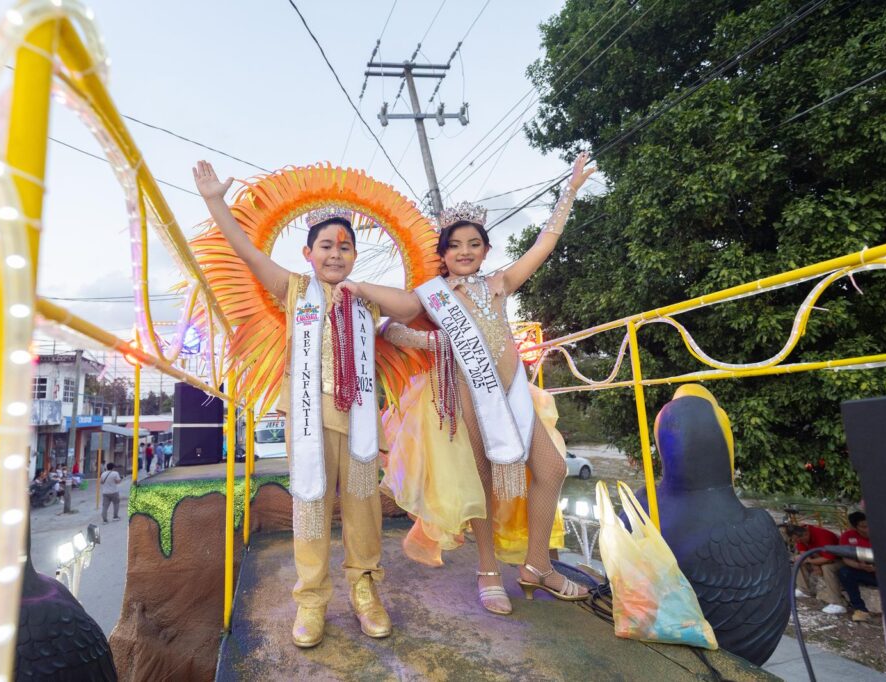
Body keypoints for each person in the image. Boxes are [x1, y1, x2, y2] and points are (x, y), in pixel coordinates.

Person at [335, 152, 596, 613]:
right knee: (483, 484)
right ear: (443, 254)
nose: (465, 251)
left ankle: (537, 565)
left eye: (473, 244)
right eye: (455, 245)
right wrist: (361, 288)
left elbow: (543, 247)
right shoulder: (433, 296)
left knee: (552, 468)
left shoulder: (498, 283)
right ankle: (488, 570)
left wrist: (568, 193)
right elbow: (393, 318)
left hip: (513, 394)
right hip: (466, 398)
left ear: (485, 250)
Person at [194, 159, 397, 648]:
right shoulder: (294, 290)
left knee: (364, 508)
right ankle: (311, 598)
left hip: (361, 420)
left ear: (353, 255)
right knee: (310, 506)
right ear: (308, 253)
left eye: (345, 246)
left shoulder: (366, 298)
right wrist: (215, 202)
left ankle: (364, 588)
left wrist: (362, 289)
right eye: (326, 245)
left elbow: (411, 306)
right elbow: (245, 251)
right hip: (309, 417)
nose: (335, 253)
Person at [786, 524, 845, 609]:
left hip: (839, 559)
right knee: (798, 560)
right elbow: (803, 552)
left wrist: (811, 561)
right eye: (795, 540)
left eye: (799, 540)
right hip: (819, 557)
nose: (798, 542)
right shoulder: (800, 535)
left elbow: (829, 558)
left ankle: (837, 603)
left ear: (806, 534)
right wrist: (814, 564)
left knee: (827, 568)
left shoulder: (822, 535)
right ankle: (804, 589)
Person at [838, 511, 878, 622]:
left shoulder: (882, 533)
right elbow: (845, 559)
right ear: (855, 527)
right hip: (865, 572)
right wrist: (860, 566)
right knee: (845, 572)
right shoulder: (847, 536)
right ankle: (860, 609)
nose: (868, 529)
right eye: (864, 526)